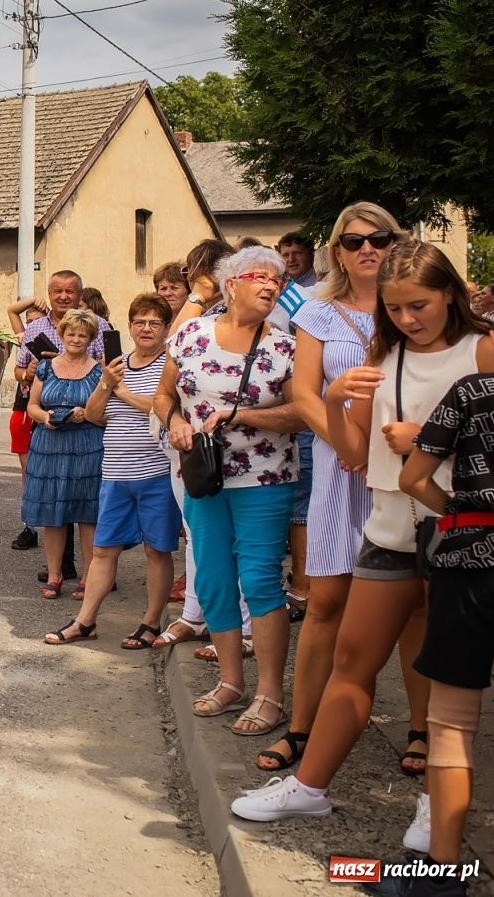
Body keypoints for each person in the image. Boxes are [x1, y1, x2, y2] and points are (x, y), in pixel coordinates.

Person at [233, 242, 494, 835]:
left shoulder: (482, 350)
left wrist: (430, 440)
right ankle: (308, 787)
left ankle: (436, 809)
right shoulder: (385, 357)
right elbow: (354, 454)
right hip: (389, 531)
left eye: (420, 305)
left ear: (450, 293)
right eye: (396, 309)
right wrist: (332, 397)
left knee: (447, 683)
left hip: (461, 535)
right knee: (352, 661)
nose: (407, 319)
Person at [257, 202, 403, 774]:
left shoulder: (412, 311)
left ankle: (417, 732)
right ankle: (301, 727)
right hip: (341, 472)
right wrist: (349, 448)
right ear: (336, 251)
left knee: (413, 608)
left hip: (403, 470)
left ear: (395, 244)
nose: (368, 249)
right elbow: (306, 394)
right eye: (354, 240)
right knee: (325, 602)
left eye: (380, 238)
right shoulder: (316, 314)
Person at [154, 246, 302, 737]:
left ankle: (271, 695)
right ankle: (231, 682)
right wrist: (174, 422)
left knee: (259, 579)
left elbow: (302, 414)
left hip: (264, 478)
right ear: (231, 283)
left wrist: (243, 415)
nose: (271, 285)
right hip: (204, 475)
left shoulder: (285, 346)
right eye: (260, 276)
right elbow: (164, 394)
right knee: (214, 578)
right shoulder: (191, 335)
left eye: (278, 280)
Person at [391, 365, 494, 889]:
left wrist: (458, 511)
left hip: (473, 560)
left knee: (452, 725)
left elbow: (412, 478)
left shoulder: (475, 391)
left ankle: (442, 877)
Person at [44, 294, 179, 645]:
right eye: (139, 322)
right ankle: (85, 622)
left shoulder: (170, 363)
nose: (145, 328)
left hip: (156, 472)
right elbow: (92, 414)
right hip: (115, 472)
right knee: (103, 550)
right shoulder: (118, 362)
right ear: (129, 326)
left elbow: (160, 406)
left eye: (154, 323)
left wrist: (123, 391)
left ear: (166, 328)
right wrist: (106, 383)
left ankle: (150, 623)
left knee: (156, 550)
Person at [12, 271, 112, 578]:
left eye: (70, 291)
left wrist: (74, 364)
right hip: (52, 428)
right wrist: (35, 372)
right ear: (49, 293)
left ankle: (95, 576)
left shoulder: (101, 326)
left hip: (88, 431)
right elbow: (19, 373)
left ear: (80, 295)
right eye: (57, 291)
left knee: (86, 507)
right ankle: (60, 568)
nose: (63, 296)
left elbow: (114, 369)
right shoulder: (35, 328)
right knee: (56, 503)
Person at [22, 308, 105, 600]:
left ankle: (88, 579)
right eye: (72, 333)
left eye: (83, 335)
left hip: (87, 447)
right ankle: (55, 575)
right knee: (53, 513)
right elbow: (32, 404)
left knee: (87, 515)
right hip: (49, 445)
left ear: (91, 338)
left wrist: (89, 414)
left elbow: (109, 416)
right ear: (62, 335)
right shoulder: (45, 367)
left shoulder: (100, 372)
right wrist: (44, 417)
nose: (77, 339)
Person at [5, 298, 49, 552]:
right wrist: (35, 300)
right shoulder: (27, 341)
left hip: (45, 408)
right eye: (29, 323)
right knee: (28, 471)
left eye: (38, 322)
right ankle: (29, 526)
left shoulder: (58, 340)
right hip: (23, 410)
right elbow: (11, 310)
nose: (33, 327)